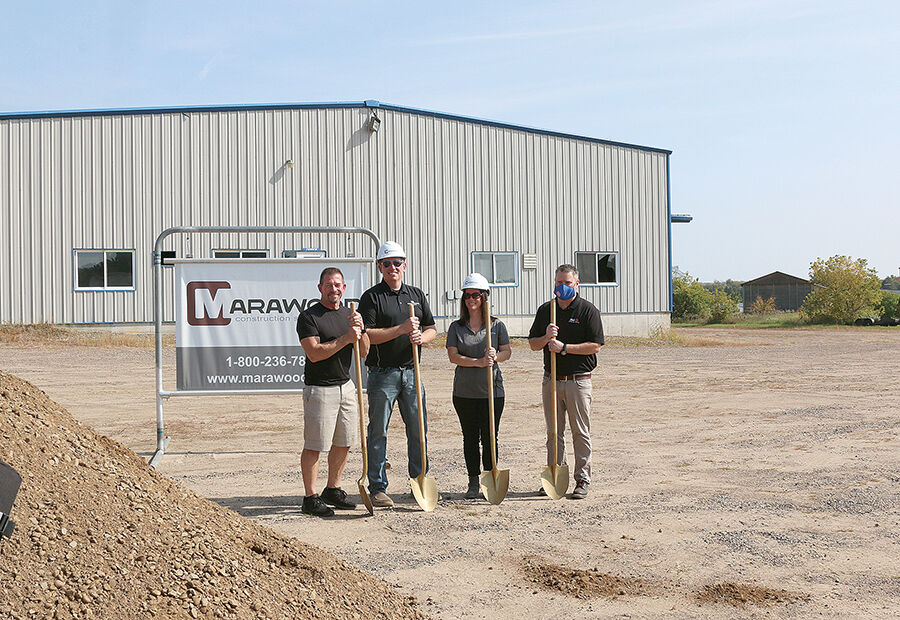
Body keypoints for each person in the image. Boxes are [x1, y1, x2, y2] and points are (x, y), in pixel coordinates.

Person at [358, 241, 437, 508]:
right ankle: (378, 487)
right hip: (383, 374)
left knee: (418, 430)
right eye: (387, 264)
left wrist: (421, 338)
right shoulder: (372, 297)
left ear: (405, 265)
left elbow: (432, 328)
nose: (393, 268)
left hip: (412, 373)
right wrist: (400, 329)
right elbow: (366, 335)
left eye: (397, 263)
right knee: (377, 431)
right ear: (380, 267)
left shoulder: (415, 295)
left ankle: (419, 479)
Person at [296, 267, 370, 517]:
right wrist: (345, 338)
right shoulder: (309, 317)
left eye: (338, 284)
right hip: (319, 389)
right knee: (315, 445)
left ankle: (333, 489)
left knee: (345, 441)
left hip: (346, 387)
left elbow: (363, 352)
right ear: (320, 288)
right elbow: (314, 354)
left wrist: (360, 331)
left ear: (344, 288)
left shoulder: (350, 316)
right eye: (328, 284)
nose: (334, 289)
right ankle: (310, 497)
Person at [528, 264, 604, 499]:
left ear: (577, 284)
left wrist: (564, 348)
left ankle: (582, 479)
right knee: (554, 432)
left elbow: (595, 346)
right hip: (551, 380)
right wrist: (546, 337)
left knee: (580, 432)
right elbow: (532, 343)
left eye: (567, 283)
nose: (562, 287)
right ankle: (555, 475)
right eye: (559, 283)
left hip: (578, 382)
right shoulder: (546, 310)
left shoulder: (587, 310)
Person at [446, 273, 512, 499]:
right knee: (470, 437)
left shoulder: (497, 325)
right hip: (464, 392)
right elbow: (453, 357)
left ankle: (489, 477)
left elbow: (507, 352)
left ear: (484, 298)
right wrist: (478, 362)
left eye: (475, 295)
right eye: (467, 296)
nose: (470, 299)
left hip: (492, 392)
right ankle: (473, 482)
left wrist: (496, 356)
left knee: (490, 436)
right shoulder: (457, 327)